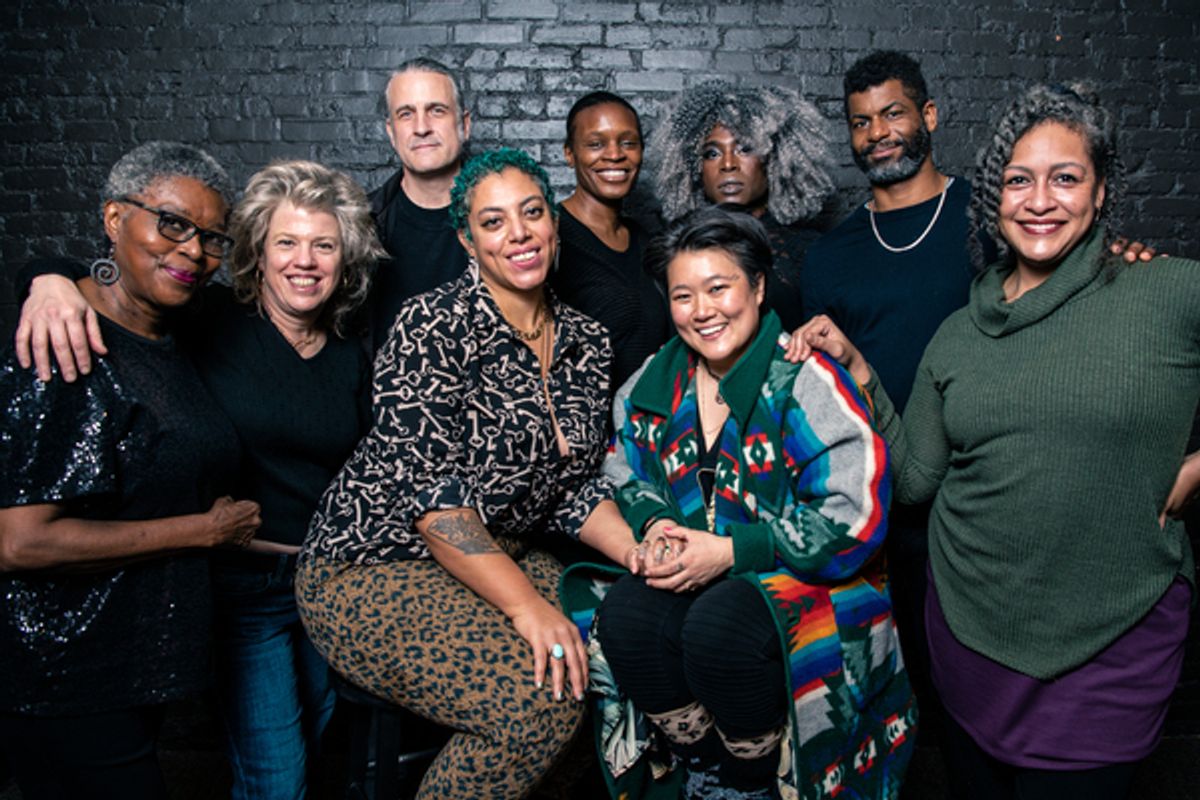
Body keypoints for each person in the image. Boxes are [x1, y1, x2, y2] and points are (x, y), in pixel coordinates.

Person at [798, 83, 1200, 800]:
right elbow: (918, 478)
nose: (1040, 200)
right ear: (995, 197)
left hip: (1114, 636)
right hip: (969, 635)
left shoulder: (1165, 294)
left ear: (1101, 192)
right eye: (1019, 180)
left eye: (1066, 178)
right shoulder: (960, 332)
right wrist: (860, 373)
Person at [12, 159, 384, 798]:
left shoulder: (353, 348)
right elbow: (120, 277)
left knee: (321, 745)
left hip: (329, 584)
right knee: (278, 776)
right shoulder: (208, 319)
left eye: (323, 245)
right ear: (257, 255)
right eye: (286, 243)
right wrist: (47, 280)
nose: (305, 261)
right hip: (244, 589)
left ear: (344, 259)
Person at [294, 148, 642, 799]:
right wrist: (530, 609)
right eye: (493, 222)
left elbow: (571, 490)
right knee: (538, 701)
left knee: (624, 651)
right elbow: (436, 504)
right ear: (468, 240)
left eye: (532, 212)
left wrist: (635, 551)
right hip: (373, 564)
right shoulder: (431, 326)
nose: (518, 234)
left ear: (553, 223)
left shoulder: (587, 341)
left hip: (499, 550)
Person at [581, 207, 915, 799]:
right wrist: (655, 521)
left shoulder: (804, 380)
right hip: (706, 569)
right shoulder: (658, 379)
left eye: (719, 288)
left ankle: (750, 781)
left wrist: (735, 550)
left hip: (809, 577)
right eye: (683, 295)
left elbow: (856, 517)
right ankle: (706, 765)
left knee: (719, 625)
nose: (702, 310)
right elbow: (620, 462)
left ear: (757, 287)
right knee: (627, 617)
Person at [0, 141, 261, 799]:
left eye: (211, 239)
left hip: (135, 667)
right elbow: (21, 540)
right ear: (115, 219)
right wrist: (204, 532)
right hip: (63, 670)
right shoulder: (62, 341)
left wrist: (46, 269)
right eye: (171, 224)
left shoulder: (174, 331)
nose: (193, 252)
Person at [650, 80, 835, 331]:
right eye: (711, 153)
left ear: (775, 157)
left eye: (745, 149)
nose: (728, 164)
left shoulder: (809, 251)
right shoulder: (673, 249)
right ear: (693, 168)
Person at [552, 90, 671, 391]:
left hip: (650, 426)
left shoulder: (649, 241)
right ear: (570, 153)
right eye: (595, 144)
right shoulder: (548, 237)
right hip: (586, 429)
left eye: (628, 142)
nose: (615, 154)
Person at [368, 56, 472, 349]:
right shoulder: (363, 224)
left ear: (464, 124)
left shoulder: (508, 222)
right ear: (391, 132)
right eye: (406, 114)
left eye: (436, 110)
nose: (421, 127)